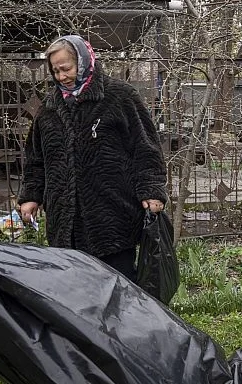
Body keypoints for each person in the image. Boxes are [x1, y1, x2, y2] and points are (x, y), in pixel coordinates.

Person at [18, 35, 168, 282]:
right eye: (55, 71)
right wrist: (31, 196)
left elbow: (145, 148)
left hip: (112, 213)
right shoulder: (49, 108)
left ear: (84, 61)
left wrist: (151, 190)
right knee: (74, 286)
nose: (61, 77)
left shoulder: (119, 96)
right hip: (64, 218)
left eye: (65, 68)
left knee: (117, 284)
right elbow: (36, 158)